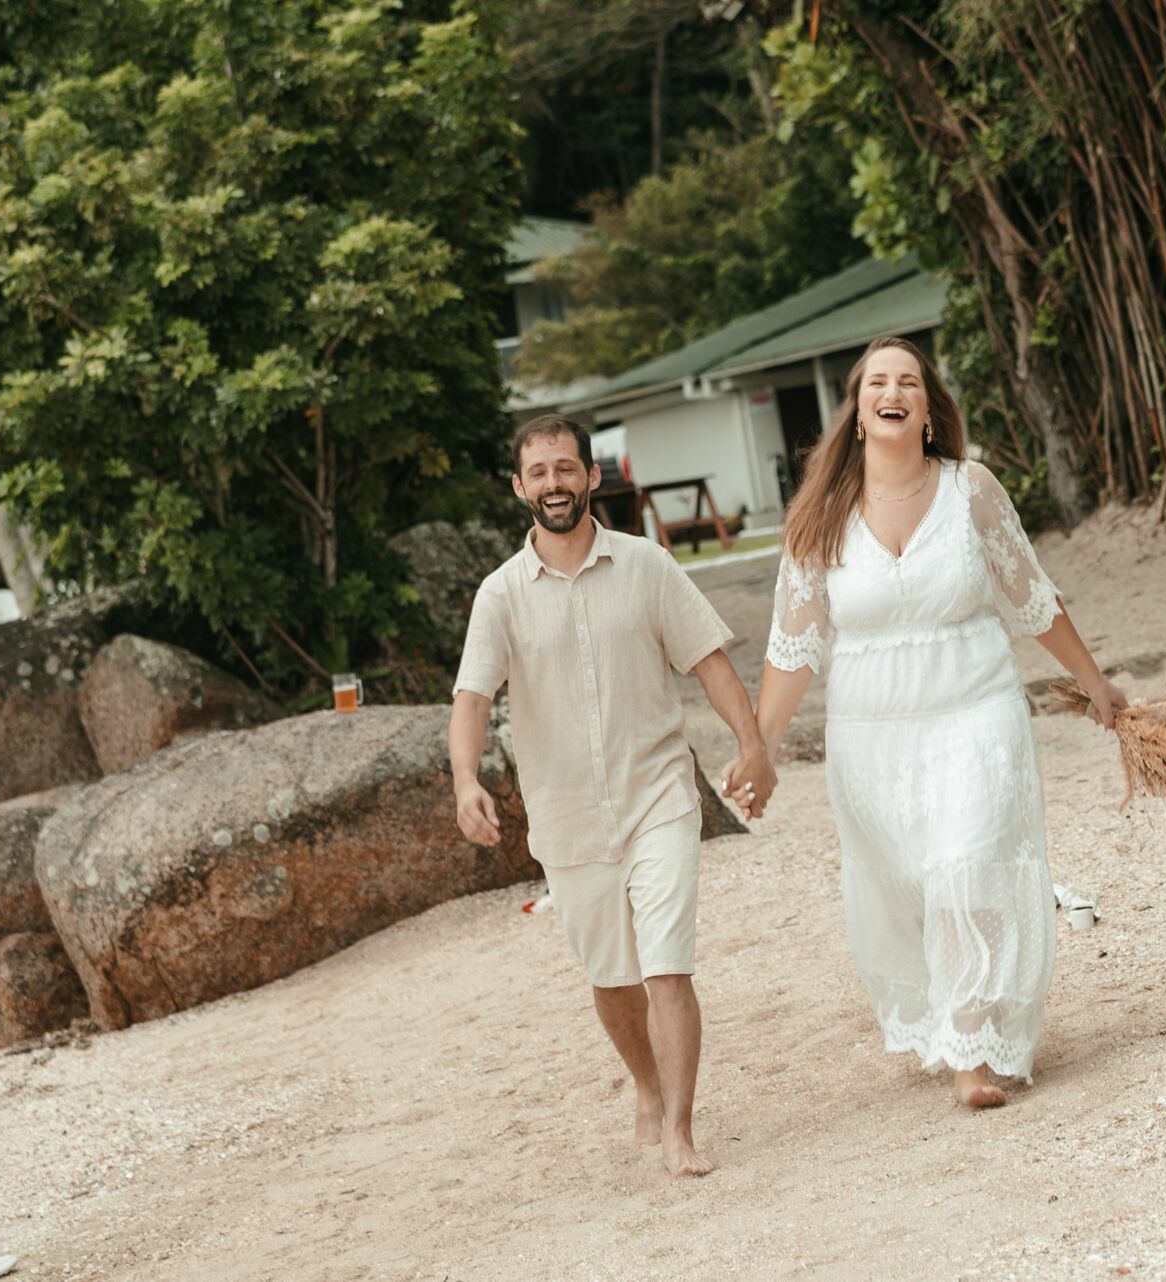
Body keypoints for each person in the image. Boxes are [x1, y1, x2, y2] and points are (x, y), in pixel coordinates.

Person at [733, 337, 1126, 1108]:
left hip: (976, 707)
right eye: (877, 382)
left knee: (964, 867)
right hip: (873, 735)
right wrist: (761, 749)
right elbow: (794, 644)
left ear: (927, 409)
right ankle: (965, 1023)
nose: (894, 391)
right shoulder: (819, 517)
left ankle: (970, 1054)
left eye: (908, 381)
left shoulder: (970, 489)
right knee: (910, 889)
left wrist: (1095, 682)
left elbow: (1030, 596)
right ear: (856, 413)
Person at [450, 414, 776, 1176]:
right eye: (539, 473)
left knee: (666, 965)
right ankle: (646, 1083)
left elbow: (709, 661)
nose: (554, 483)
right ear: (518, 487)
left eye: (567, 468)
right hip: (565, 812)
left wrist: (753, 744)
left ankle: (681, 1131)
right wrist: (465, 780)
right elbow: (471, 698)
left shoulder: (647, 566)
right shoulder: (499, 595)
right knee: (612, 975)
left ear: (593, 477)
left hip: (656, 791)